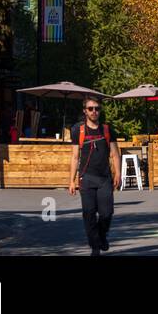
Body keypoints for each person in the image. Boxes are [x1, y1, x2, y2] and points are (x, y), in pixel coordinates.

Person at [68, 97, 121, 256]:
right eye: (90, 108)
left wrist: (118, 173)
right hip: (87, 178)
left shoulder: (107, 130)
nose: (94, 111)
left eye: (97, 108)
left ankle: (102, 236)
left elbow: (115, 154)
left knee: (107, 213)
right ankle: (95, 246)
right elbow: (75, 157)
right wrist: (71, 180)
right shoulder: (78, 130)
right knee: (89, 214)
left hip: (104, 178)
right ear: (85, 111)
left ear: (100, 110)